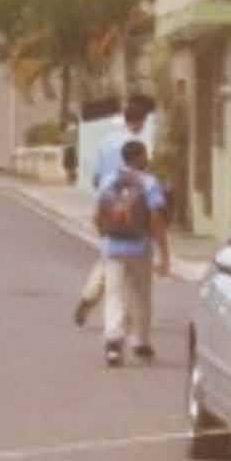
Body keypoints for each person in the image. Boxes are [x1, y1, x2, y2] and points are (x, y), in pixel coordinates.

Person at [75, 99, 152, 326]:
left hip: (106, 206)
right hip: (132, 207)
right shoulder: (137, 146)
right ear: (138, 122)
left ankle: (90, 295)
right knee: (128, 262)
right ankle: (121, 317)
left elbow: (96, 176)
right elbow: (142, 177)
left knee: (110, 254)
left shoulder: (106, 141)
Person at [93, 139, 169, 368]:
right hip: (139, 247)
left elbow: (97, 214)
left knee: (114, 294)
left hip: (112, 247)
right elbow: (156, 219)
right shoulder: (149, 182)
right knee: (142, 295)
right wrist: (163, 252)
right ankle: (141, 342)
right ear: (140, 158)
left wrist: (105, 237)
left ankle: (113, 344)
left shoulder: (107, 181)